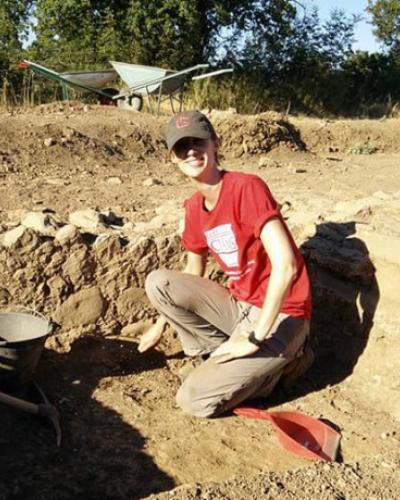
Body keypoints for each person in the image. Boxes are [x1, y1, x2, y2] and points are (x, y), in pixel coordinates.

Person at [138, 110, 313, 418]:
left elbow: (286, 265)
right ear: (173, 159)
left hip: (282, 317)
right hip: (239, 308)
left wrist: (256, 337)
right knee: (158, 283)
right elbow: (193, 273)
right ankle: (219, 361)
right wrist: (159, 326)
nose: (191, 150)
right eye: (182, 147)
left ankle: (279, 371)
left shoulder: (247, 188)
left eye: (198, 142)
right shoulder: (193, 208)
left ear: (215, 144)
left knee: (194, 401)